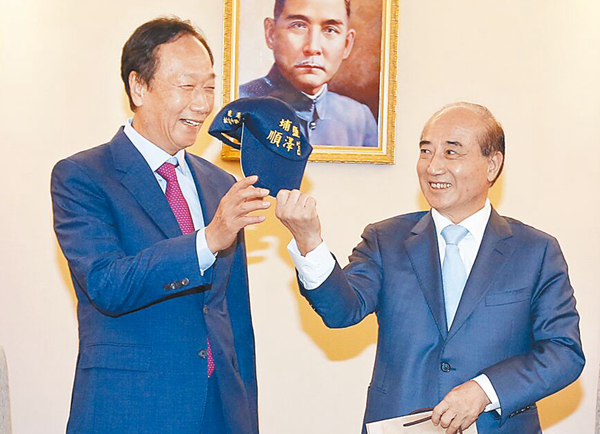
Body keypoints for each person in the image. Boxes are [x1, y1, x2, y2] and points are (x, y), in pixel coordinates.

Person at [275, 102, 584, 434]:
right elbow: (341, 311)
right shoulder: (385, 239)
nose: (433, 167)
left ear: (492, 165)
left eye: (451, 153)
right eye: (426, 151)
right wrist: (309, 240)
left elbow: (563, 352)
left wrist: (485, 390)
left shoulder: (535, 251)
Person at [51, 17, 269, 434]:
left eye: (209, 87)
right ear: (138, 87)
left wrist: (246, 415)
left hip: (218, 409)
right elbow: (108, 284)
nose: (202, 104)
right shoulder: (83, 176)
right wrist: (207, 240)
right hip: (131, 410)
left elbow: (234, 317)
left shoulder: (219, 183)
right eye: (187, 86)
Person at [239, 0, 378, 147]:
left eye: (330, 30)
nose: (313, 47)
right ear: (271, 33)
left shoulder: (359, 118)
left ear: (347, 44)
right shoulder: (237, 104)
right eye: (298, 26)